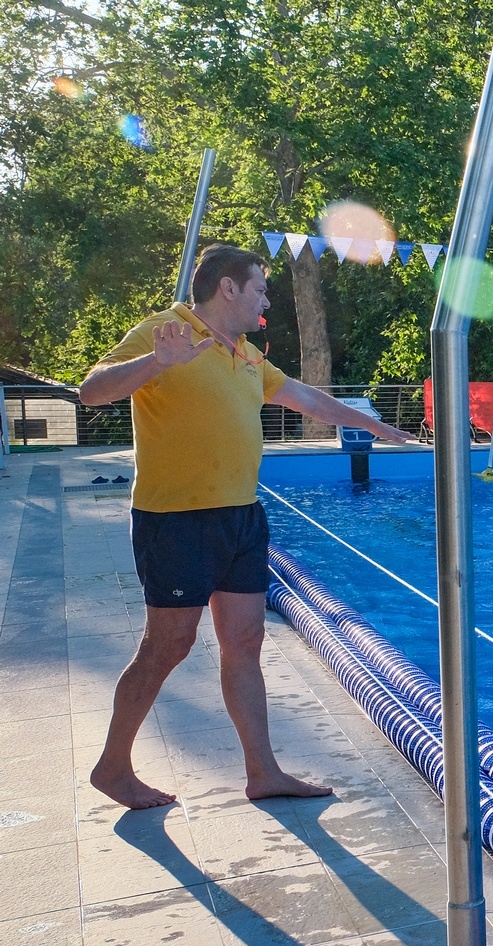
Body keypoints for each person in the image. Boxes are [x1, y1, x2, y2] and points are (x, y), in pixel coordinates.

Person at [77, 244, 414, 809]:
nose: (266, 299)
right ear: (228, 287)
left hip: (241, 516)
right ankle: (112, 767)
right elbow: (91, 391)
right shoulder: (164, 332)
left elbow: (305, 397)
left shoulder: (246, 353)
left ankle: (262, 771)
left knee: (245, 641)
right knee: (168, 645)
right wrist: (157, 362)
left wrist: (373, 426)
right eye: (259, 287)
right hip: (176, 519)